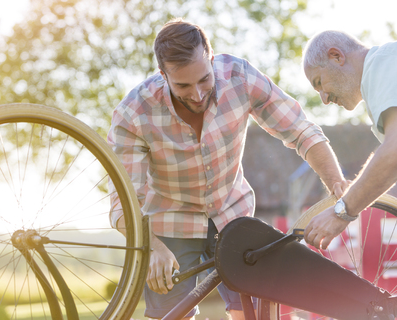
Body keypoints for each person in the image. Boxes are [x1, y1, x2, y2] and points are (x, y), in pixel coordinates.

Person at [108, 19, 346, 320]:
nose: (196, 94)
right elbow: (123, 203)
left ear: (211, 57)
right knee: (169, 316)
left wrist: (337, 186)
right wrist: (151, 247)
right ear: (162, 74)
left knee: (266, 312)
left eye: (204, 79)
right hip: (168, 224)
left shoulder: (240, 77)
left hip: (232, 213)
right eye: (182, 85)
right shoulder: (134, 113)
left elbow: (300, 130)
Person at [302, 30, 397, 250]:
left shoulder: (383, 64)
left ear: (336, 56)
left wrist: (341, 212)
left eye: (319, 83)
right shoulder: (389, 70)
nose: (324, 99)